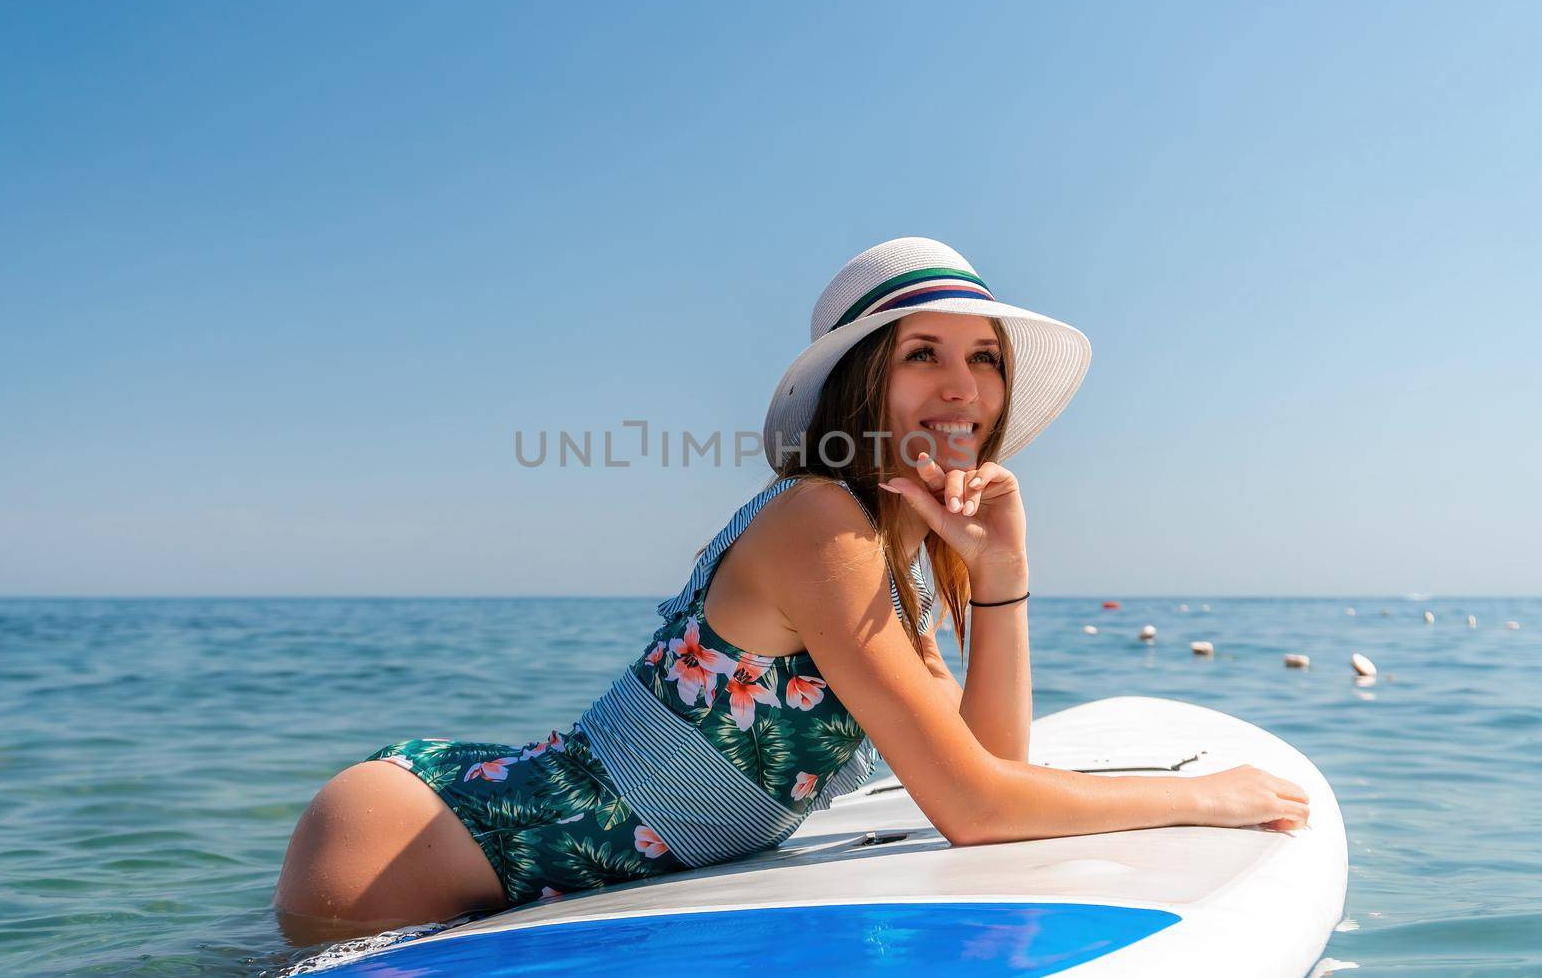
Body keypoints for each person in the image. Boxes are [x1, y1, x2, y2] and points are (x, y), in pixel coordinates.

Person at [272, 236, 1309, 945]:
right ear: (861, 382)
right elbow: (980, 810)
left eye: (984, 359)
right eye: (924, 355)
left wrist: (1000, 579)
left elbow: (989, 769)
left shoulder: (884, 570)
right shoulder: (822, 521)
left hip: (487, 859)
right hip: (416, 843)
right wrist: (1204, 795)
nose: (963, 386)